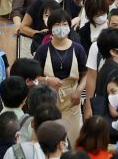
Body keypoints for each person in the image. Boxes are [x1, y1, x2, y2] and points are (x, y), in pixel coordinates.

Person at [34, 8, 87, 142]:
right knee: (50, 139)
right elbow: (33, 77)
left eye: (64, 24)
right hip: (48, 100)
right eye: (57, 24)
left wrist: (79, 91)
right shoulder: (42, 50)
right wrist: (47, 79)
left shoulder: (78, 49)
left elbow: (86, 75)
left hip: (72, 100)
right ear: (50, 27)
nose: (61, 27)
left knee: (73, 138)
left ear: (69, 27)